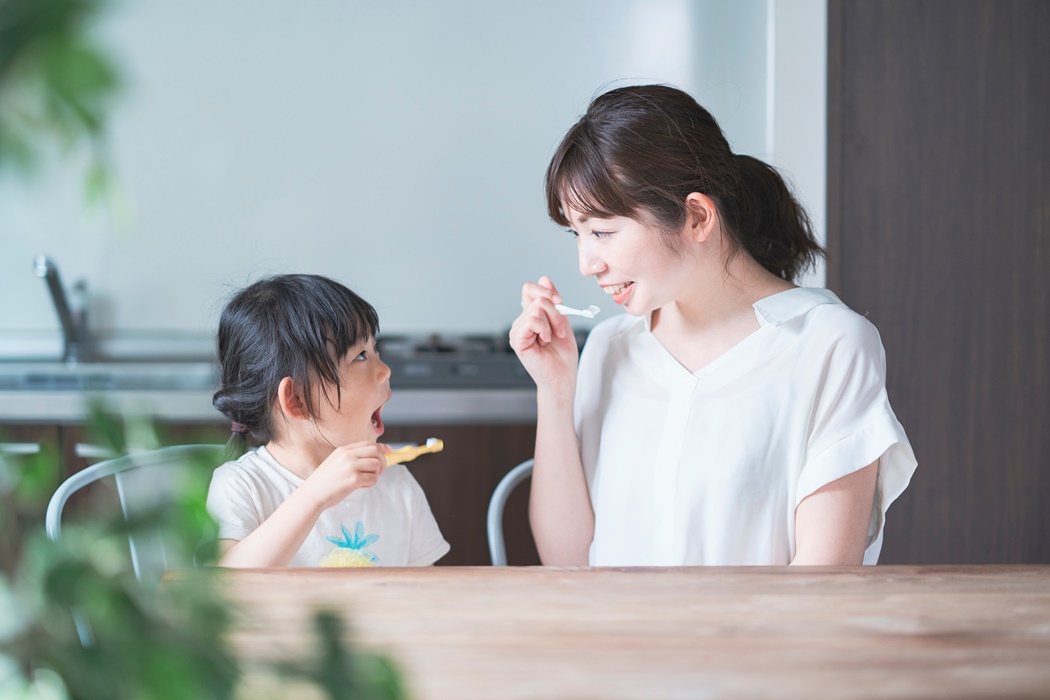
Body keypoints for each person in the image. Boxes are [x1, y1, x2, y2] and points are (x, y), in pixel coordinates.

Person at [510, 84, 917, 567]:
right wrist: (555, 394)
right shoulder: (608, 347)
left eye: (602, 232)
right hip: (614, 640)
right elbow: (567, 563)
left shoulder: (830, 344)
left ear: (697, 216)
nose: (586, 263)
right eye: (576, 235)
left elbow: (822, 584)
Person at [207, 274, 449, 567]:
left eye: (375, 350)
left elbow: (430, 595)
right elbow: (224, 587)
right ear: (297, 400)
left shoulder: (397, 484)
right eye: (360, 356)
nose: (384, 370)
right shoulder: (240, 485)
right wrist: (314, 496)